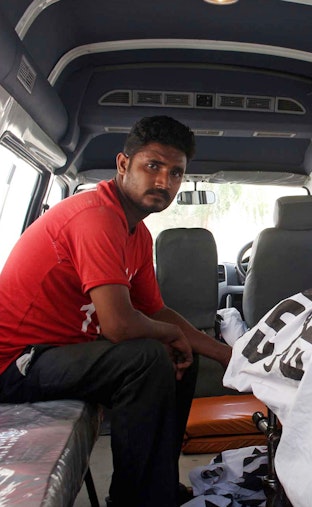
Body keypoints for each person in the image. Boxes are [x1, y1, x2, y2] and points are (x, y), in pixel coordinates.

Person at [0, 115, 231, 506]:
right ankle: (135, 500)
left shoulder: (136, 233)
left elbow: (156, 312)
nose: (164, 182)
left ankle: (157, 487)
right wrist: (172, 337)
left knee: (180, 358)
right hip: (15, 362)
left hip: (58, 353)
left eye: (176, 173)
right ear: (123, 165)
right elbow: (120, 325)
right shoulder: (96, 217)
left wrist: (230, 357)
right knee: (144, 358)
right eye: (152, 167)